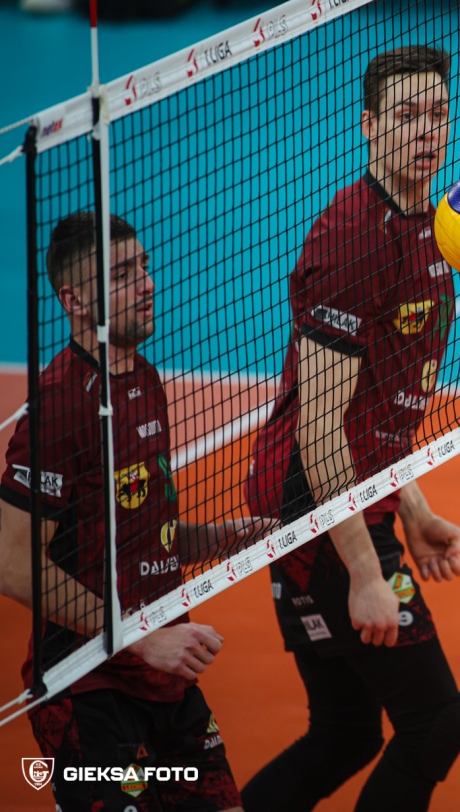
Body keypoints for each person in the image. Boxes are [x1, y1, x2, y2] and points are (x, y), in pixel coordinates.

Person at [241, 46, 460, 812]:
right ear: (368, 126)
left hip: (351, 498)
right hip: (316, 511)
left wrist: (415, 508)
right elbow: (321, 430)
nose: (425, 131)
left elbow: (381, 411)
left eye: (437, 114)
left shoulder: (435, 228)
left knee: (345, 733)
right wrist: (367, 573)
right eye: (405, 116)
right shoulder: (353, 239)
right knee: (438, 720)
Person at [0, 212, 258, 811]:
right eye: (121, 275)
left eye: (143, 266)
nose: (147, 284)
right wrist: (141, 638)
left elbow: (134, 530)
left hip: (163, 676)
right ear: (73, 301)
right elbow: (12, 563)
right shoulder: (62, 405)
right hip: (87, 686)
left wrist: (221, 537)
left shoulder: (143, 377)